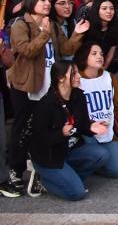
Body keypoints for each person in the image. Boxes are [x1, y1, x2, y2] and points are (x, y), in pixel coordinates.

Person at [7, 0, 89, 195]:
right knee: (21, 130)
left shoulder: (52, 24)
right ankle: (15, 172)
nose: (47, 4)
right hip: (27, 86)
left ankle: (39, 168)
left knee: (44, 128)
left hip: (47, 86)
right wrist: (43, 33)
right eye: (42, 0)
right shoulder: (20, 24)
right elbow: (26, 51)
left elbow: (66, 49)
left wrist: (78, 34)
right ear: (32, 1)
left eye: (48, 0)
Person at [26, 62, 112, 201]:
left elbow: (82, 124)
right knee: (77, 194)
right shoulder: (46, 104)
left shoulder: (78, 95)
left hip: (70, 149)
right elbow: (39, 139)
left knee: (102, 155)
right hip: (49, 156)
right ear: (61, 78)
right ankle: (42, 182)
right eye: (74, 73)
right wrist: (61, 133)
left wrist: (91, 127)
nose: (79, 76)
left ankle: (69, 178)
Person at [74, 43, 118, 180]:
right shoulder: (76, 79)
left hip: (108, 130)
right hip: (86, 133)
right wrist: (91, 124)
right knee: (98, 155)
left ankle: (93, 166)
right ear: (83, 58)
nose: (99, 56)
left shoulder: (108, 77)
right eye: (94, 54)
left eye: (101, 53)